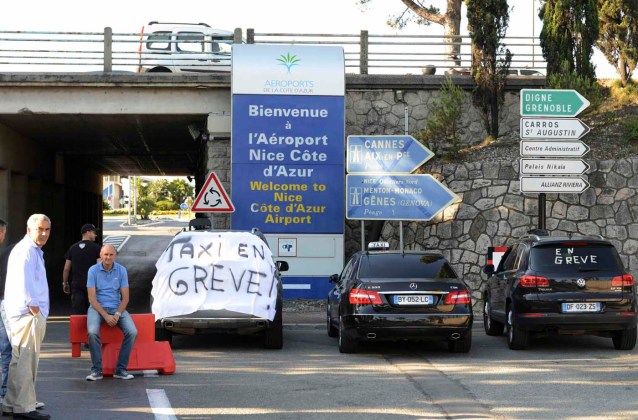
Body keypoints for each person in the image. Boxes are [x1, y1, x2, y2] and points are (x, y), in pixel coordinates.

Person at [3, 214, 51, 420]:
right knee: (26, 363)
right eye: (39, 229)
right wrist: (35, 312)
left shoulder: (31, 250)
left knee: (18, 361)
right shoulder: (26, 251)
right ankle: (24, 408)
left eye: (47, 230)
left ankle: (11, 403)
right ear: (28, 229)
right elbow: (25, 283)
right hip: (27, 315)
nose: (43, 234)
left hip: (24, 314)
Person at [86, 244, 137, 381]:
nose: (108, 257)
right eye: (105, 254)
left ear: (115, 256)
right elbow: (91, 298)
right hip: (97, 308)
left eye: (111, 255)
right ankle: (97, 370)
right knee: (92, 332)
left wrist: (117, 314)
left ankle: (120, 370)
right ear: (101, 255)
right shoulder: (93, 270)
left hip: (117, 308)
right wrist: (106, 316)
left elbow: (125, 298)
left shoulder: (122, 270)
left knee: (132, 332)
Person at [62, 223, 101, 314]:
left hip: (77, 284)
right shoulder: (97, 248)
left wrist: (65, 283)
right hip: (92, 285)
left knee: (78, 312)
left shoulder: (72, 248)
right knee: (92, 311)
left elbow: (66, 269)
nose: (96, 235)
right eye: (94, 232)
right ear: (88, 232)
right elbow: (99, 268)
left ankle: (79, 328)